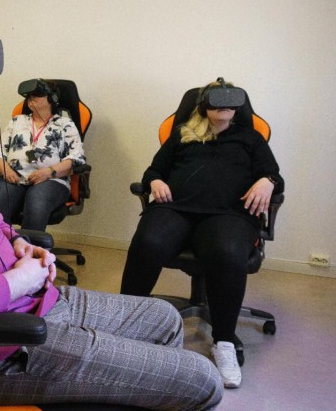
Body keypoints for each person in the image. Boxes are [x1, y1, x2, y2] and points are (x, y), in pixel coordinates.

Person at [0, 7, 222, 410]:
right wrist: (20, 282)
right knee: (203, 380)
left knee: (166, 319)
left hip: (34, 300)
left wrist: (17, 245)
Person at [120, 79, 285, 389]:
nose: (222, 105)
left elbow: (274, 174)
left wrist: (268, 181)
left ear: (237, 105)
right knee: (148, 240)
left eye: (229, 99)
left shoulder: (250, 139)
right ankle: (126, 323)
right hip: (177, 208)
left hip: (229, 214)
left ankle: (223, 342)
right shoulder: (182, 136)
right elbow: (153, 171)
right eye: (215, 99)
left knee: (225, 252)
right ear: (204, 105)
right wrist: (155, 182)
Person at [0, 78, 86, 231]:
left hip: (52, 180)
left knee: (36, 200)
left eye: (37, 95)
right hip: (14, 178)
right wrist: (5, 170)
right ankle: (2, 251)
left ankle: (32, 252)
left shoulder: (65, 124)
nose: (31, 99)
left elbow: (76, 158)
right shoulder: (17, 121)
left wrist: (49, 172)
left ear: (52, 99)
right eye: (29, 96)